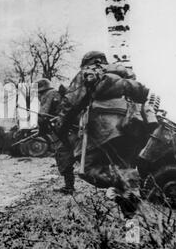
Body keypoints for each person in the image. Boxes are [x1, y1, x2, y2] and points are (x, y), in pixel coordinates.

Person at [57, 51, 150, 217]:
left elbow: (70, 104)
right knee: (126, 174)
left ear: (87, 62)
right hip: (131, 129)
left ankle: (124, 183)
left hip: (103, 131)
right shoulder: (123, 73)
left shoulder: (88, 73)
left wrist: (61, 129)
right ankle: (132, 233)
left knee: (87, 170)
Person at [36, 78, 77, 195]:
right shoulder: (57, 93)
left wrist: (42, 131)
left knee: (62, 154)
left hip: (66, 130)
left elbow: (42, 116)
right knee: (66, 154)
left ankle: (69, 187)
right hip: (72, 129)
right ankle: (69, 186)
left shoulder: (48, 94)